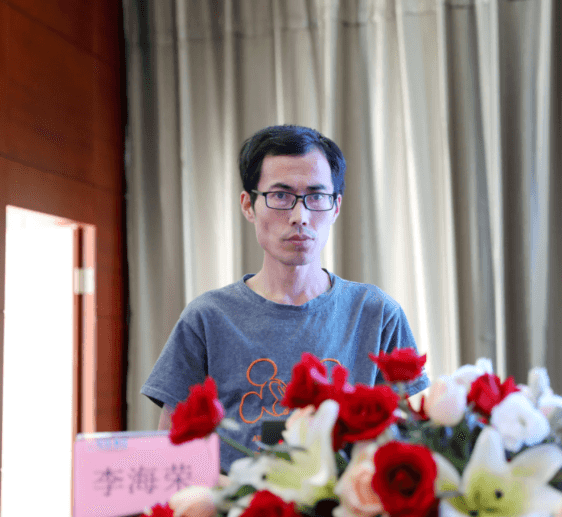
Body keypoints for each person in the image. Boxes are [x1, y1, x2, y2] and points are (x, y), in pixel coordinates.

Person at [141, 124, 428, 473]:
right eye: (280, 196)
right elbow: (170, 453)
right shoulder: (207, 317)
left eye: (316, 197)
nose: (299, 217)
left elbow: (411, 443)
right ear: (248, 205)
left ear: (336, 207)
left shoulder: (376, 313)